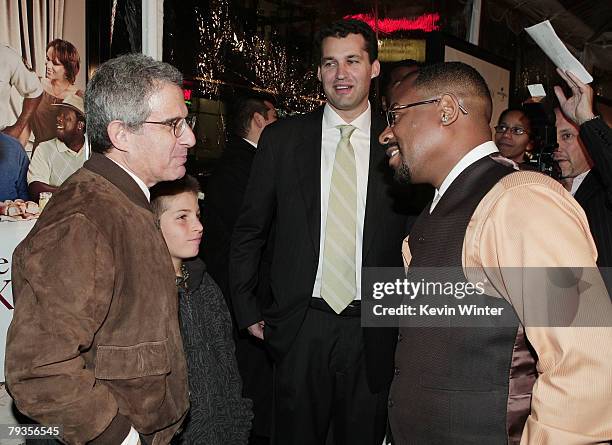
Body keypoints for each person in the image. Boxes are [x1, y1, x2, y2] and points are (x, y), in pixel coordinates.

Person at [379, 61, 612, 444]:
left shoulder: (520, 200)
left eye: (395, 115)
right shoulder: (437, 209)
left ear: (447, 110)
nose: (386, 133)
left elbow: (587, 366)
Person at [230, 19, 408, 444]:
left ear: (375, 68)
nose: (340, 74)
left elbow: (415, 233)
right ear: (318, 72)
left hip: (375, 326)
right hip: (299, 324)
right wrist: (247, 306)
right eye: (330, 63)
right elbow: (250, 228)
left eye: (352, 61)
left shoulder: (399, 139)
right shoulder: (283, 139)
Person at [6, 53, 195, 444]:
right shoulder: (85, 218)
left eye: (186, 122)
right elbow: (38, 368)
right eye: (174, 125)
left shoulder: (124, 201)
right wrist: (120, 437)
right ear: (121, 134)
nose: (190, 137)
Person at [151, 175, 253, 445]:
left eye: (197, 215)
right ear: (150, 224)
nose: (198, 227)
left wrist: (240, 427)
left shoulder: (205, 285)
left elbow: (229, 369)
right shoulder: (146, 296)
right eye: (182, 217)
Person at [201, 96, 277, 443]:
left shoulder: (242, 161)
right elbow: (248, 237)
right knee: (250, 379)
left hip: (240, 288)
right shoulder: (242, 165)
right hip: (241, 290)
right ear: (260, 120)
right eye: (275, 116)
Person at [553, 69, 612, 268]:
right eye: (553, 137)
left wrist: (586, 119)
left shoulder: (602, 188)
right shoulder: (543, 186)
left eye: (567, 136)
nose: (557, 146)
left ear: (587, 139)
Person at [0, 45, 42, 201]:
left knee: (11, 202)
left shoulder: (6, 56)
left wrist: (18, 127)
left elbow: (35, 90)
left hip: (2, 150)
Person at [27, 94, 87, 201]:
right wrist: (75, 193)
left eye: (65, 117)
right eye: (59, 115)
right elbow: (35, 189)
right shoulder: (44, 149)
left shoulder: (94, 149)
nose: (59, 118)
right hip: (57, 215)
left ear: (80, 125)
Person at [29, 39, 83, 150]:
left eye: (55, 63)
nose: (48, 65)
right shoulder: (36, 84)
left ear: (68, 68)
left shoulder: (79, 96)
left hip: (64, 157)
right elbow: (25, 124)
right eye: (48, 59)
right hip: (38, 153)